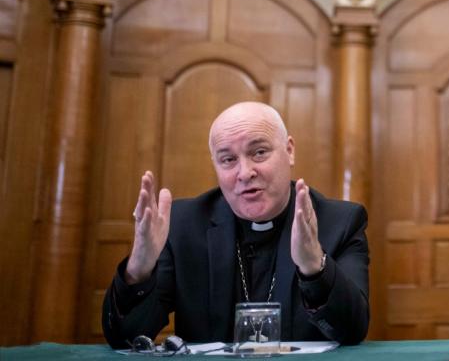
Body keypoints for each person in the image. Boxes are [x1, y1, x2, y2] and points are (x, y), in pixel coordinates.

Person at [102, 102, 369, 347]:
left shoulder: (340, 223)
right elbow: (125, 337)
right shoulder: (183, 225)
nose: (245, 173)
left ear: (289, 151)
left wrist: (314, 268)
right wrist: (137, 270)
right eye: (228, 159)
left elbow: (353, 330)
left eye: (259, 152)